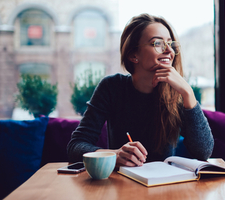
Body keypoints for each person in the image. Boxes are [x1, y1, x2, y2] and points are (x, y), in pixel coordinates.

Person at [67, 13, 214, 167]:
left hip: (164, 184)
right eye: (157, 43)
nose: (168, 51)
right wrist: (114, 155)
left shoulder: (177, 92)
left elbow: (203, 152)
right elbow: (76, 145)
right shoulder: (111, 87)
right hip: (121, 183)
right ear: (133, 54)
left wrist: (188, 93)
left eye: (170, 44)